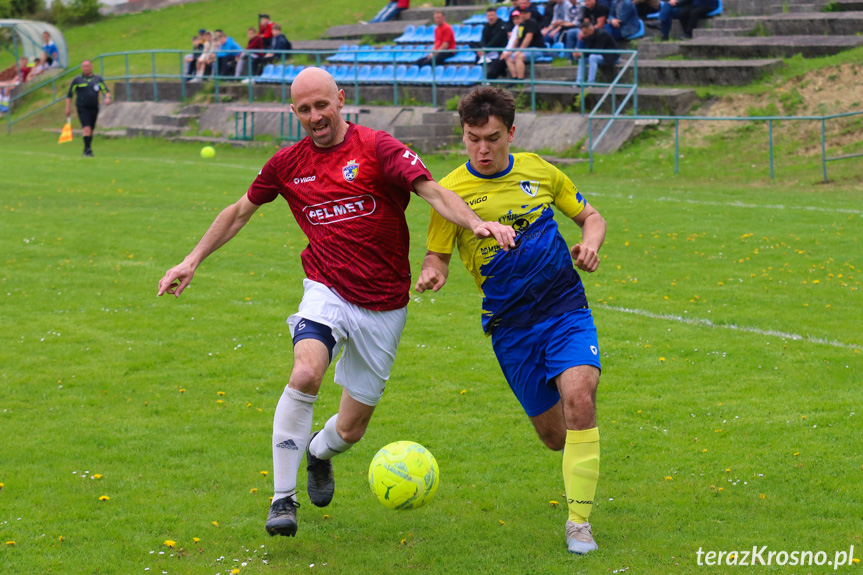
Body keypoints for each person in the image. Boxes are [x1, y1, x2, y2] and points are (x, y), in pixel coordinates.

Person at [156, 67, 515, 539]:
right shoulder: (287, 164)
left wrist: (473, 223)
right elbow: (239, 211)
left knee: (350, 430)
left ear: (340, 99)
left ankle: (317, 453)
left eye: (321, 105)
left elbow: (433, 192)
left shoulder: (379, 148)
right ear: (293, 112)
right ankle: (282, 498)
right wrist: (192, 259)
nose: (314, 116)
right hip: (325, 288)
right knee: (305, 371)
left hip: (385, 303)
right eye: (304, 109)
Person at [416, 85, 607, 555]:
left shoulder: (538, 171)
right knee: (555, 436)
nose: (483, 148)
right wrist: (431, 272)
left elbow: (592, 216)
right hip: (510, 326)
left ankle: (578, 523)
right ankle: (582, 456)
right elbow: (436, 257)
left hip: (565, 308)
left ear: (511, 133)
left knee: (579, 400)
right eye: (473, 138)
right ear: (462, 135)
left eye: (493, 138)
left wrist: (591, 244)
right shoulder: (450, 192)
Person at [64, 59, 110, 157]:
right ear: (82, 68)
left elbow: (106, 90)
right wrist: (67, 108)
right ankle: (88, 149)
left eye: (87, 66)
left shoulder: (97, 79)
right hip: (82, 107)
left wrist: (107, 98)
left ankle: (87, 149)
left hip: (94, 107)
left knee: (91, 130)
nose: (86, 68)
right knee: (86, 127)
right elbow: (69, 95)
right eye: (84, 66)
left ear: (91, 67)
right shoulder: (77, 80)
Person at [503, 9, 546, 83]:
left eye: (524, 13)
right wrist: (510, 51)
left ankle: (520, 81)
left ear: (529, 14)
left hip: (537, 49)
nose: (523, 15)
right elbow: (517, 38)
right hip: (526, 50)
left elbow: (528, 38)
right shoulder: (521, 25)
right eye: (521, 13)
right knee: (508, 58)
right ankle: (515, 79)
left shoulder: (532, 23)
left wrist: (519, 50)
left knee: (519, 57)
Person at [574, 18, 619, 84]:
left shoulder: (602, 34)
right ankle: (578, 81)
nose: (584, 35)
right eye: (583, 33)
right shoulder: (588, 36)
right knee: (581, 59)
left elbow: (597, 51)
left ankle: (590, 83)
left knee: (593, 57)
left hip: (611, 57)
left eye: (585, 33)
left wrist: (582, 53)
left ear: (591, 30)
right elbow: (589, 49)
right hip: (600, 56)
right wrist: (579, 54)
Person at [476, 6, 510, 80]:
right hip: (488, 51)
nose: (491, 17)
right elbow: (483, 39)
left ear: (496, 15)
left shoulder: (502, 26)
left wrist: (485, 50)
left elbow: (495, 41)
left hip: (499, 52)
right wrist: (483, 48)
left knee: (496, 65)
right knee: (472, 44)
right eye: (489, 15)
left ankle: (488, 80)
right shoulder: (486, 26)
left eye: (492, 15)